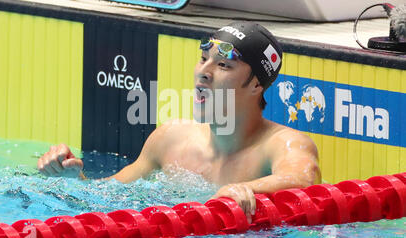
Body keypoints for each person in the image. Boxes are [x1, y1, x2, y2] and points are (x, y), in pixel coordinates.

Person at [37, 22, 321, 224]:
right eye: (203, 59)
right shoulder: (172, 138)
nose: (204, 73)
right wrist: (71, 180)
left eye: (223, 65)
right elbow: (106, 200)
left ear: (257, 84)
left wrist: (247, 188)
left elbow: (304, 181)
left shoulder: (281, 144)